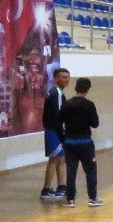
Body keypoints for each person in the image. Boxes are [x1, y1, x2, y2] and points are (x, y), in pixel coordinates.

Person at [58, 77, 102, 208]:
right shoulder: (89, 105)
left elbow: (60, 121)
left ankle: (70, 200)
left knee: (71, 171)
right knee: (90, 171)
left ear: (76, 87)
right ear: (88, 89)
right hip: (85, 143)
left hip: (70, 142)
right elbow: (95, 124)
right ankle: (93, 199)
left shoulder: (66, 104)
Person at [40, 67, 69, 201]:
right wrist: (62, 133)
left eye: (67, 77)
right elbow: (58, 116)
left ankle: (62, 186)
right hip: (54, 131)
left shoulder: (58, 93)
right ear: (56, 78)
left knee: (61, 159)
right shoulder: (55, 93)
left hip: (55, 130)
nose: (66, 80)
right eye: (63, 77)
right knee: (54, 159)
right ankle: (46, 189)